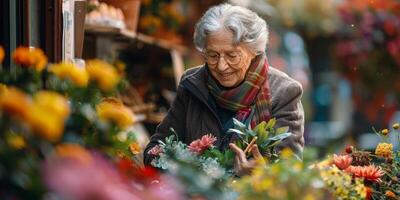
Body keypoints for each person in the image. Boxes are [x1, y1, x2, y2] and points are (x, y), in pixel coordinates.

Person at [144, 3, 304, 176]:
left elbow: (290, 171)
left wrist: (262, 173)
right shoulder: (192, 84)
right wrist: (187, 171)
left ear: (254, 51)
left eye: (232, 56)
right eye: (212, 55)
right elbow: (154, 151)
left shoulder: (284, 92)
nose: (221, 66)